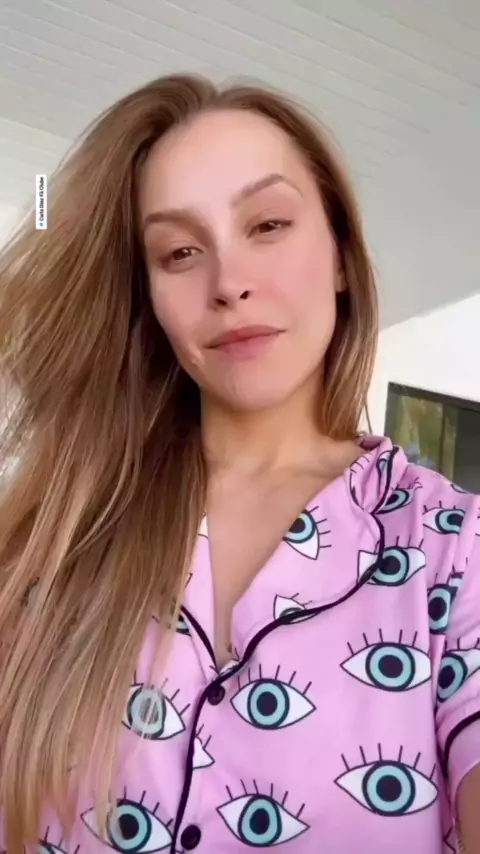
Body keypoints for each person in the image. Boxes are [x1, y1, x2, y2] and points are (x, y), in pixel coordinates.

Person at [0, 73, 478, 854]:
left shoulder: (454, 550)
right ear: (148, 298)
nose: (229, 284)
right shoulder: (56, 540)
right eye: (180, 251)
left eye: (268, 224)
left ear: (341, 257)